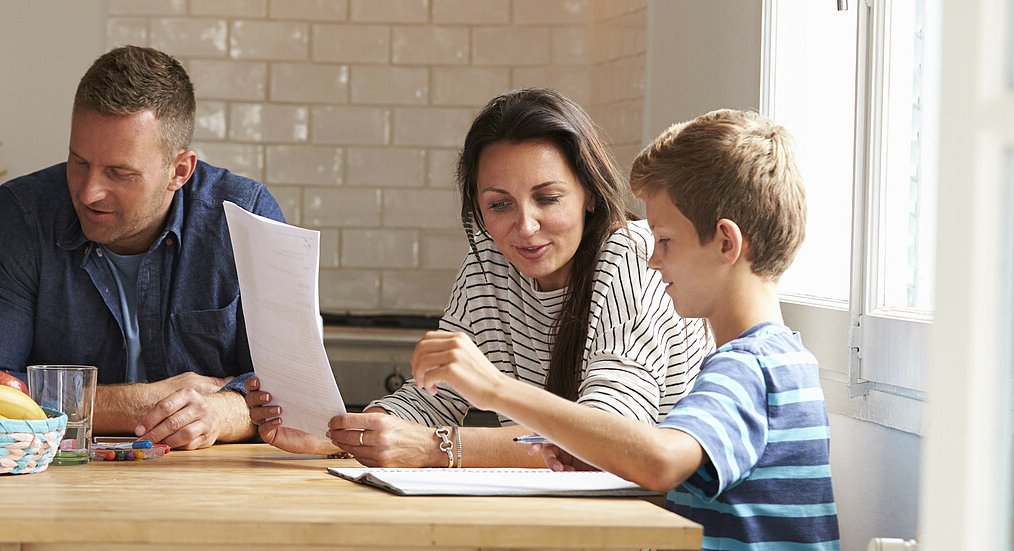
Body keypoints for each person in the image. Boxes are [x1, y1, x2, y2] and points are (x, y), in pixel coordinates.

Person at [410, 109, 840, 551]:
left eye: (664, 240)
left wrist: (494, 389)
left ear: (726, 242)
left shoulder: (750, 368)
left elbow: (659, 460)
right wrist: (590, 453)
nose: (652, 258)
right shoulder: (782, 359)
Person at [247, 88, 711, 467]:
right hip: (562, 519)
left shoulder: (631, 256)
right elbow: (431, 401)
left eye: (547, 198)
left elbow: (603, 440)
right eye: (499, 204)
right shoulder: (489, 263)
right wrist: (341, 434)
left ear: (589, 193)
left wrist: (434, 448)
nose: (524, 227)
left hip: (653, 538)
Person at [0, 45, 284, 449]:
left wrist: (226, 413)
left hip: (211, 489)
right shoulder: (19, 217)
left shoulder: (246, 217)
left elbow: (290, 392)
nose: (89, 192)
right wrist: (139, 404)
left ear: (179, 171)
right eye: (79, 162)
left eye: (119, 173)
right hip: (54, 485)